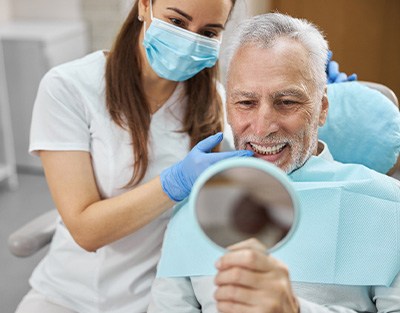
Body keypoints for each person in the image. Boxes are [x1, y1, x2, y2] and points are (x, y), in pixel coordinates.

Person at [148, 13, 400, 313]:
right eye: (246, 103)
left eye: (287, 102)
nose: (263, 126)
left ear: (321, 108)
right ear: (228, 108)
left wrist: (293, 309)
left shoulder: (389, 210)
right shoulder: (195, 209)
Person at [15, 0, 255, 312]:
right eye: (177, 22)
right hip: (68, 296)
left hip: (159, 300)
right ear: (144, 6)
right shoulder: (69, 88)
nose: (189, 42)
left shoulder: (215, 104)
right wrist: (174, 183)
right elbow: (86, 231)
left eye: (208, 32)